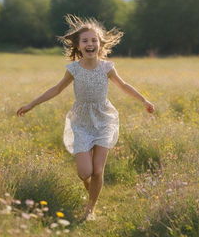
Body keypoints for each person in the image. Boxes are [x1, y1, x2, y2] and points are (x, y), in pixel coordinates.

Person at [17, 14, 155, 221]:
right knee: (84, 173)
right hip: (81, 122)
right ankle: (90, 188)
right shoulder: (74, 69)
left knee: (98, 170)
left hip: (103, 120)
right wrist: (31, 104)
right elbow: (56, 89)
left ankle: (90, 209)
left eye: (94, 40)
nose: (90, 44)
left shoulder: (107, 67)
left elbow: (124, 85)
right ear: (78, 46)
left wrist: (144, 100)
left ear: (100, 44)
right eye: (85, 41)